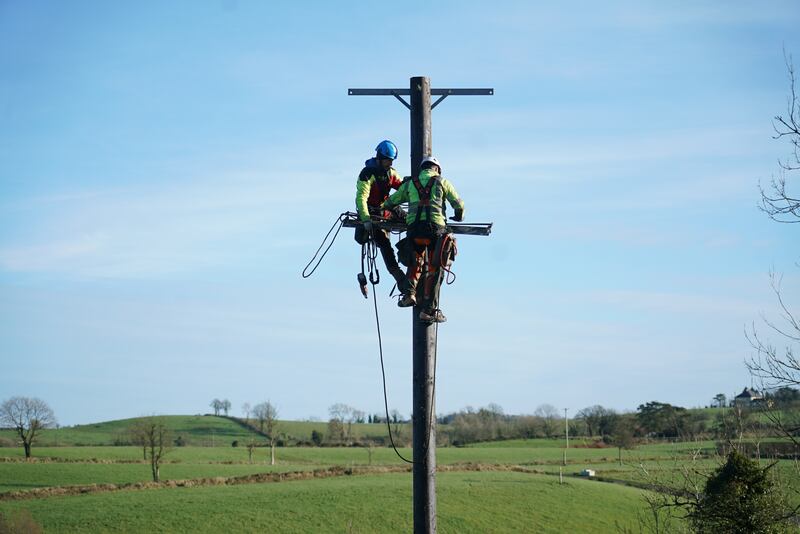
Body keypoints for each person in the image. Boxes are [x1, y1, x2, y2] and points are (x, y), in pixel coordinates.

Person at [381, 156, 464, 323]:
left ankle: (409, 294)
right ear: (437, 169)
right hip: (436, 231)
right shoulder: (442, 182)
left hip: (415, 231)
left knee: (415, 262)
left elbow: (389, 202)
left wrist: (393, 212)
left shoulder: (410, 183)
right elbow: (459, 205)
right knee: (436, 267)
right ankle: (429, 310)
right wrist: (458, 216)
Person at [355, 140, 410, 293]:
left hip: (385, 208)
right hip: (371, 213)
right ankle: (399, 277)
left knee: (411, 221)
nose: (390, 163)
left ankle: (412, 259)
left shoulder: (390, 173)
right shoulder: (367, 173)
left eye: (391, 160)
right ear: (379, 158)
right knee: (384, 244)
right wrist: (366, 219)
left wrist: (413, 184)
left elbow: (403, 188)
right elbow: (361, 198)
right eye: (388, 160)